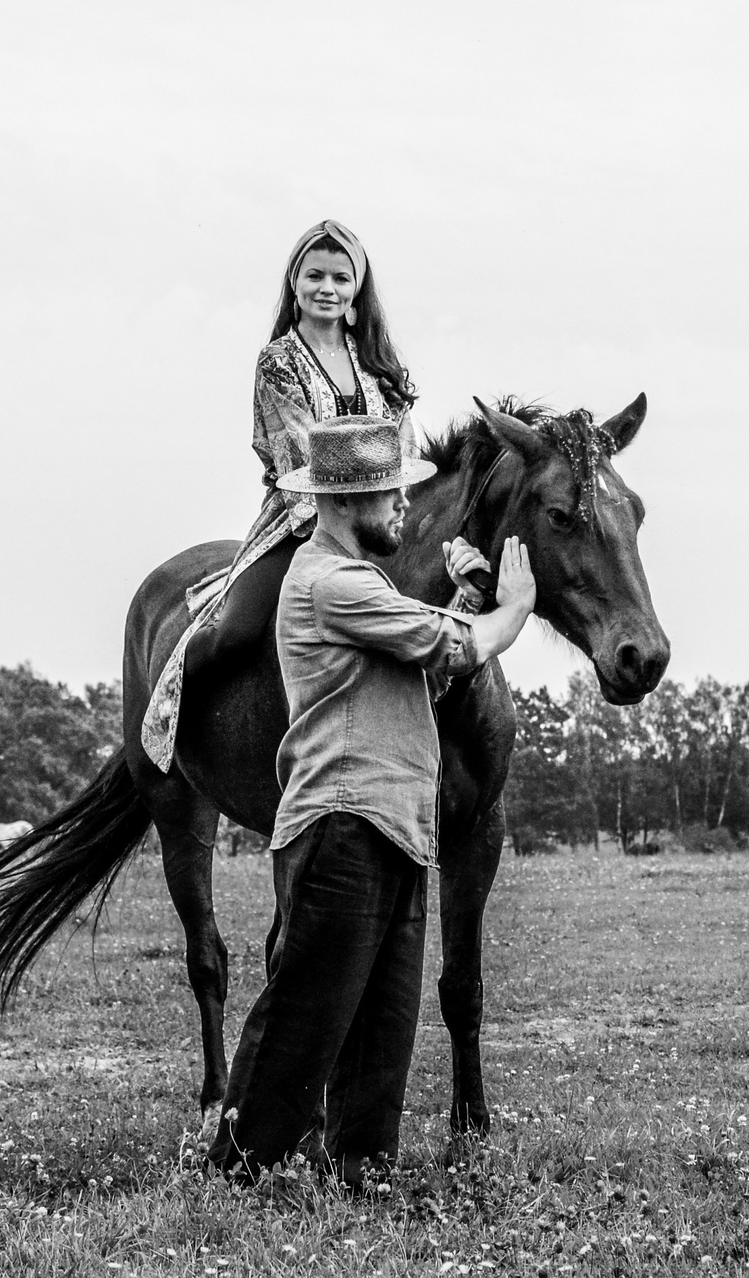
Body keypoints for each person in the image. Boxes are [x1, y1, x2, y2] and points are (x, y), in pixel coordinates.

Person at [207, 415, 535, 1186]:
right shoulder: (331, 581)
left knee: (383, 1021)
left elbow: (424, 671)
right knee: (305, 1012)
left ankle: (359, 1169)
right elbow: (458, 647)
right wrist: (509, 609)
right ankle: (239, 1169)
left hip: (392, 826)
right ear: (350, 503)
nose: (404, 511)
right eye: (391, 497)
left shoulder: (368, 589)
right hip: (341, 823)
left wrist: (457, 594)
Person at [138, 221, 421, 770]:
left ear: (356, 291)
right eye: (314, 275)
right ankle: (170, 700)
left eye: (341, 277)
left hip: (381, 519)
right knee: (238, 632)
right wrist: (339, 522)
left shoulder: (382, 368)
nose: (327, 288)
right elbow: (297, 456)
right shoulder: (279, 362)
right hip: (300, 519)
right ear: (295, 285)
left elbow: (403, 449)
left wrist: (394, 507)